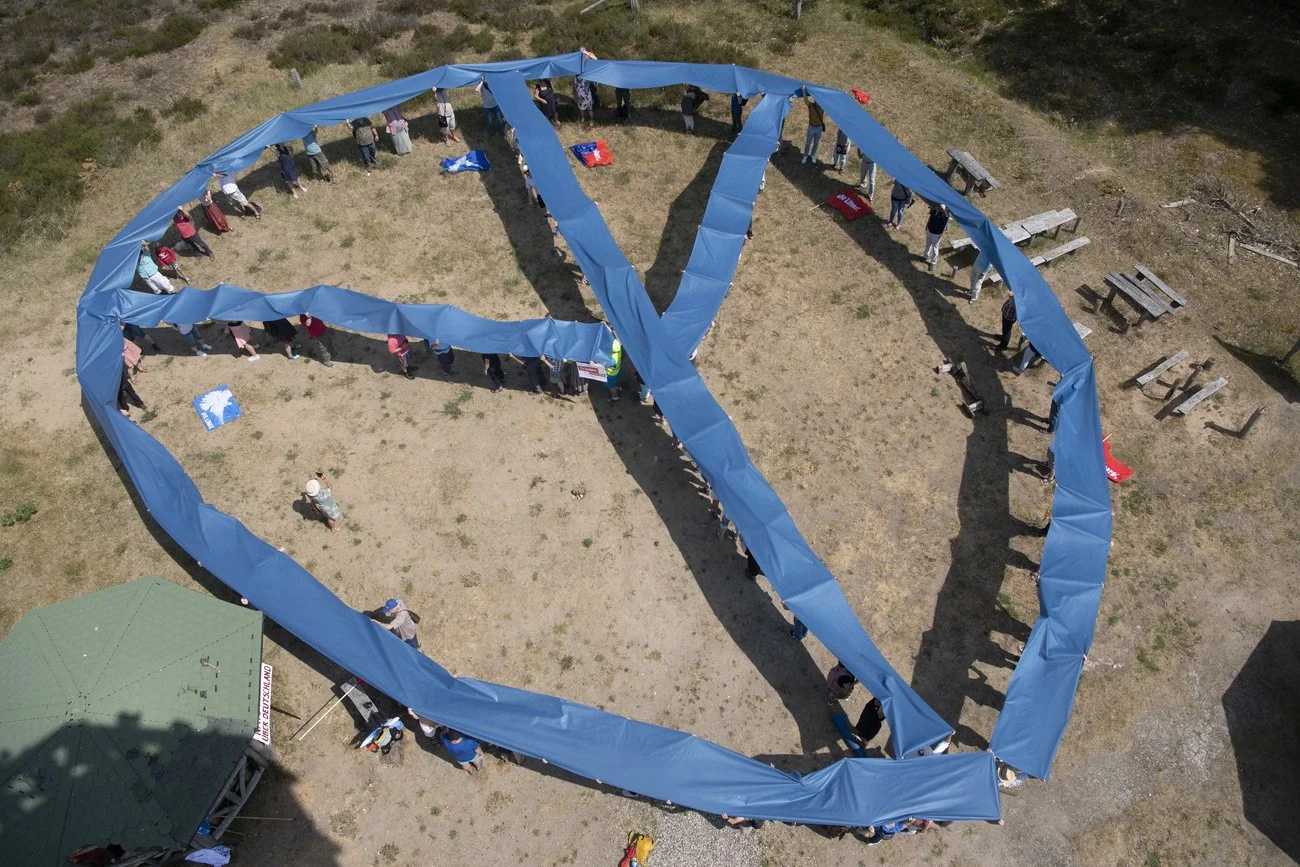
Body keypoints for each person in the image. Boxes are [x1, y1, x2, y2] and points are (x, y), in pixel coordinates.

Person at [922, 203, 950, 271]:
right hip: (930, 229)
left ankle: (933, 263)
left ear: (942, 209)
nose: (936, 208)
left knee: (935, 248)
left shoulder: (944, 216)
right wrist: (927, 225)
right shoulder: (935, 210)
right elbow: (931, 217)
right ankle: (925, 256)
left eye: (939, 207)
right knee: (928, 244)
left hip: (936, 234)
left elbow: (947, 216)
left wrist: (943, 210)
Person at [800, 93, 825, 164]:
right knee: (808, 143)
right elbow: (805, 100)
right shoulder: (811, 106)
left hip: (819, 128)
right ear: (814, 100)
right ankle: (805, 155)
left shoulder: (823, 107)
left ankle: (812, 155)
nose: (817, 102)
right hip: (811, 127)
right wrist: (803, 91)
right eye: (816, 100)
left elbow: (831, 102)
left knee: (816, 143)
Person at [603, 337, 623, 402]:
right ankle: (615, 386)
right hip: (616, 371)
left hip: (610, 374)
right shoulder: (618, 348)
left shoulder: (611, 360)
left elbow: (604, 364)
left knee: (611, 386)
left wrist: (594, 364)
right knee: (613, 381)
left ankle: (615, 397)